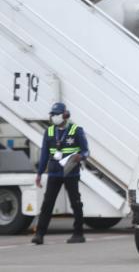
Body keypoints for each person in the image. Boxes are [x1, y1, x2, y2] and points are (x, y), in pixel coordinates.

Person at [32, 102, 89, 245]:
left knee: (75, 203)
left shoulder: (76, 130)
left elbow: (86, 151)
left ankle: (78, 233)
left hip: (71, 172)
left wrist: (80, 157)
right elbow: (45, 154)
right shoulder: (49, 131)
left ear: (65, 115)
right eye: (53, 115)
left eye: (57, 114)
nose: (54, 117)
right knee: (47, 204)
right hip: (54, 173)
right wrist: (39, 173)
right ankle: (39, 234)